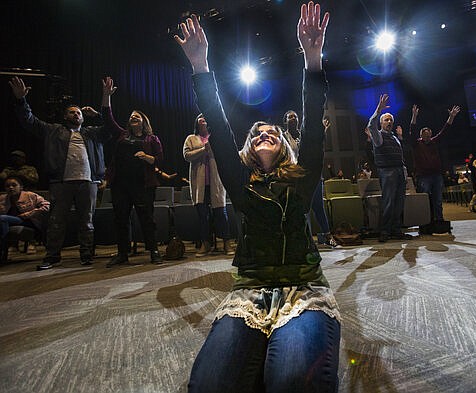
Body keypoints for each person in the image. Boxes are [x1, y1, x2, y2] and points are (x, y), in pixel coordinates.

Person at [175, 3, 340, 392]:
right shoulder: (239, 179)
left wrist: (312, 59)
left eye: (274, 132)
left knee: (294, 382)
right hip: (249, 290)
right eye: (258, 132)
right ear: (248, 146)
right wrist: (201, 65)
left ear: (284, 145)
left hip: (302, 288)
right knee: (209, 386)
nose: (266, 133)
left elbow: (313, 121)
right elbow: (215, 119)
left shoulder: (302, 178)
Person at [9, 77, 111, 270]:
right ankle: (52, 257)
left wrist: (101, 107)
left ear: (83, 117)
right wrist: (21, 100)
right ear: (65, 117)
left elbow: (110, 129)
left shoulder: (92, 133)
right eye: (72, 112)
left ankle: (86, 255)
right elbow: (29, 121)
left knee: (87, 222)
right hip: (61, 182)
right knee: (56, 221)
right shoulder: (53, 131)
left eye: (78, 112)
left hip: (88, 182)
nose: (76, 114)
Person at [98, 77, 164, 266]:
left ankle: (153, 251)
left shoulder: (152, 139)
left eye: (137, 116)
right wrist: (106, 95)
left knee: (147, 219)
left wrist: (146, 157)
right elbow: (107, 117)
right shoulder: (122, 135)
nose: (133, 117)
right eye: (131, 115)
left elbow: (159, 160)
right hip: (120, 184)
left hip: (143, 184)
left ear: (144, 122)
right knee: (120, 219)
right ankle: (122, 254)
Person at [283, 110, 340, 248]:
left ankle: (327, 235)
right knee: (303, 208)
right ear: (285, 121)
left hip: (312, 174)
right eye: (290, 117)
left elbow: (315, 149)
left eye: (295, 117)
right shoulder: (283, 137)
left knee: (318, 206)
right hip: (296, 177)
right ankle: (307, 238)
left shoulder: (305, 135)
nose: (293, 119)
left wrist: (322, 134)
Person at [183, 113, 235, 257]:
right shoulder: (191, 138)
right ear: (197, 122)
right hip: (200, 183)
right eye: (200, 116)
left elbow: (226, 155)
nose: (203, 117)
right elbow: (186, 156)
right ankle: (205, 244)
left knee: (221, 213)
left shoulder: (217, 137)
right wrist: (203, 150)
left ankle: (226, 243)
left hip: (216, 182)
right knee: (203, 215)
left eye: (206, 116)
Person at [367, 94, 411, 243]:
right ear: (381, 123)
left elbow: (401, 158)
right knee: (389, 202)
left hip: (399, 171)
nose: (389, 121)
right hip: (388, 172)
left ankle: (396, 230)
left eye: (391, 119)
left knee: (399, 202)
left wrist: (404, 172)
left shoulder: (394, 137)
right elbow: (370, 125)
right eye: (386, 120)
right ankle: (385, 231)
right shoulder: (378, 136)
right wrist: (378, 109)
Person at [406, 104, 460, 222]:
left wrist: (451, 117)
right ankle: (427, 221)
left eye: (429, 134)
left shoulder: (434, 141)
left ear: (431, 135)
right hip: (423, 176)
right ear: (421, 136)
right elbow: (412, 130)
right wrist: (414, 116)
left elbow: (444, 131)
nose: (427, 136)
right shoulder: (416, 144)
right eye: (425, 134)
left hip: (436, 175)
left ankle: (439, 220)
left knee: (438, 199)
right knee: (425, 199)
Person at [0, 176, 49, 260]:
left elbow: (47, 205)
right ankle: (3, 253)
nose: (11, 187)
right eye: (7, 186)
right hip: (11, 221)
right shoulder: (3, 198)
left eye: (14, 185)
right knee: (2, 220)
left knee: (2, 218)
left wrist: (29, 213)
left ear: (21, 187)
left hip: (29, 221)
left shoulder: (29, 195)